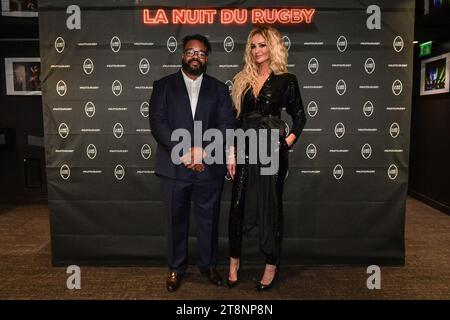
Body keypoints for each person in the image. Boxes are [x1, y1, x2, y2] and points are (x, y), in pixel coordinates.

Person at [149, 34, 235, 292]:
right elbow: (158, 123)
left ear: (207, 58)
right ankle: (176, 268)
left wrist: (204, 152)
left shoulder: (219, 89)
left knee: (209, 219)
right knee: (176, 220)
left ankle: (208, 266)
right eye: (191, 51)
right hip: (174, 167)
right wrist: (184, 152)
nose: (195, 57)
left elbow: (227, 124)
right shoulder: (163, 85)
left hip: (209, 167)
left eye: (201, 53)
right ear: (182, 55)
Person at [226, 26, 307, 291]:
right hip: (246, 147)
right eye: (253, 46)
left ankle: (271, 264)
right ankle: (233, 261)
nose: (257, 50)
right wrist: (231, 152)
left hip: (272, 150)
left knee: (272, 207)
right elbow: (235, 121)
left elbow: (299, 117)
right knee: (237, 204)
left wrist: (287, 142)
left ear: (272, 47)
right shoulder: (242, 80)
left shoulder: (287, 80)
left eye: (262, 45)